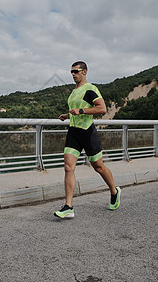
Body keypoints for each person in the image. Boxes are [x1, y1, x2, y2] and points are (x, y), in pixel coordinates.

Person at [54, 61, 121, 218]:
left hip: (87, 132)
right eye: (71, 71)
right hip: (73, 132)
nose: (73, 74)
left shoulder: (90, 89)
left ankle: (114, 191)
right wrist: (67, 115)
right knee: (68, 167)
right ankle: (68, 206)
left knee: (98, 166)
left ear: (84, 71)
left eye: (76, 71)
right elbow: (76, 110)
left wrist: (82, 110)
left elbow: (102, 108)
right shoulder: (73, 92)